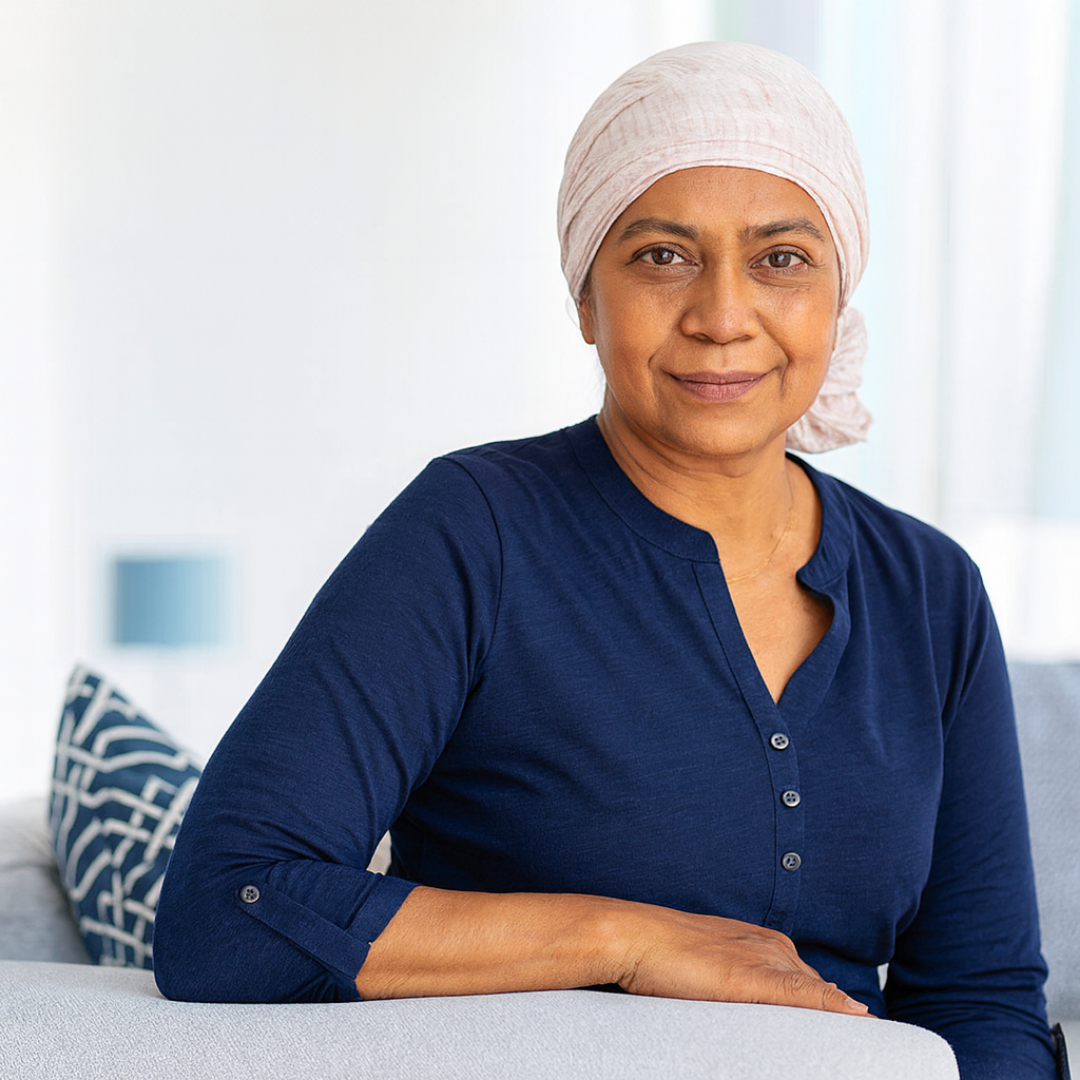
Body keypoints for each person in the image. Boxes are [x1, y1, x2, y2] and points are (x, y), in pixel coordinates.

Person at [153, 41, 1057, 1079]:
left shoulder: (931, 591)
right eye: (663, 256)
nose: (723, 317)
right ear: (586, 297)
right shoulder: (474, 533)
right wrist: (629, 941)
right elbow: (227, 909)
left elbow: (980, 1001)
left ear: (836, 299)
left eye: (780, 259)